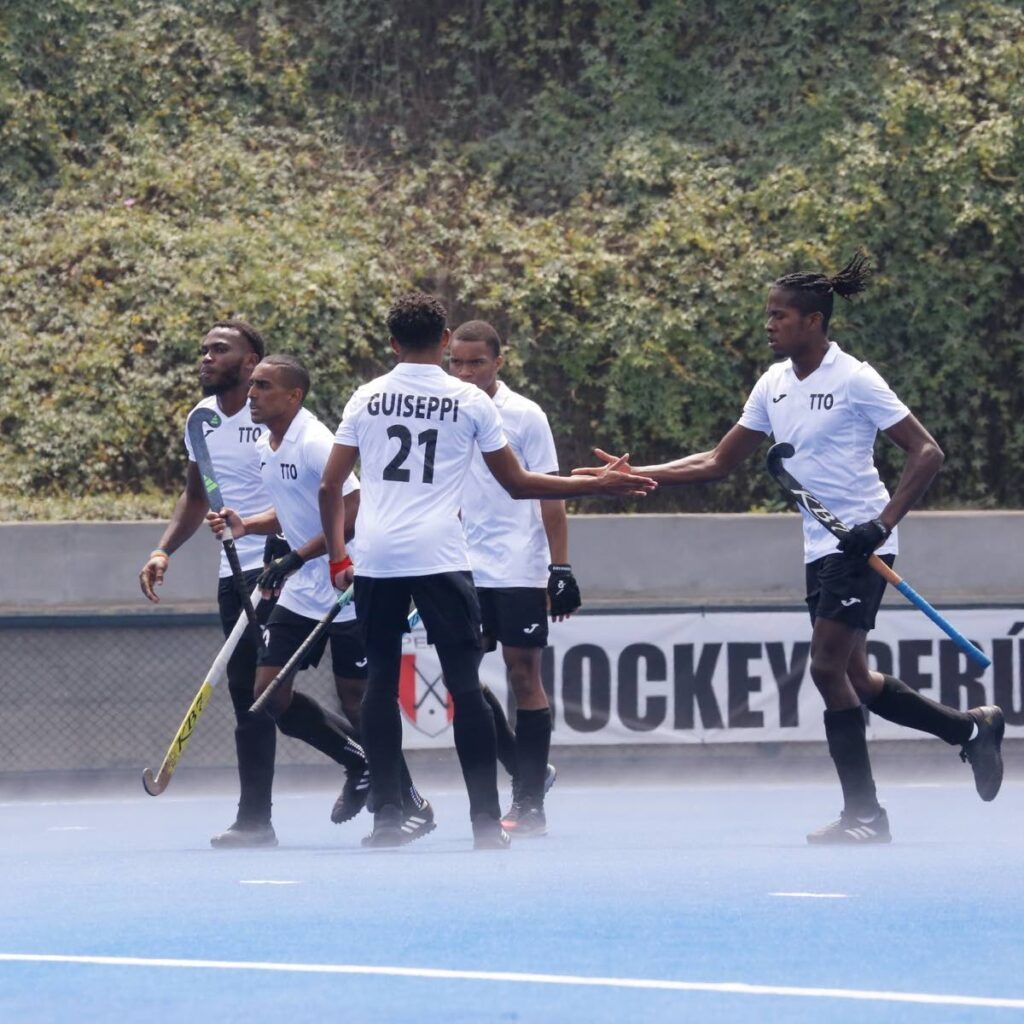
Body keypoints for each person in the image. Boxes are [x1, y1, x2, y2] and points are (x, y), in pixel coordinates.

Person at [575, 253, 1004, 844]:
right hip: (818, 547)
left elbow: (926, 451)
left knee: (826, 668)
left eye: (779, 315)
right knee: (855, 675)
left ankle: (865, 816)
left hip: (860, 542)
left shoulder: (855, 377)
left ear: (813, 321)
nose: (768, 324)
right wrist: (636, 474)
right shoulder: (772, 385)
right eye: (768, 315)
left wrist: (879, 525)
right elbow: (717, 461)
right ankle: (970, 731)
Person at [319, 292, 655, 850]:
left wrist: (338, 556)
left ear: (392, 343)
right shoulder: (469, 403)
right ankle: (484, 825)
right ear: (445, 340)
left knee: (379, 684)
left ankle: (387, 818)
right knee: (463, 688)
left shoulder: (367, 397)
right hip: (444, 558)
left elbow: (330, 486)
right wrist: (595, 483)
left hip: (379, 556)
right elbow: (520, 483)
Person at [207, 355, 434, 843]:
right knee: (267, 694)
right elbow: (297, 509)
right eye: (251, 387)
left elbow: (352, 509)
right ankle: (359, 762)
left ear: (294, 396)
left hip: (347, 585)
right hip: (303, 591)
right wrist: (250, 523)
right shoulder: (270, 445)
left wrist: (299, 557)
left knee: (359, 700)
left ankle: (408, 802)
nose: (252, 395)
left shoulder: (314, 442)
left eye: (264, 387)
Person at [138, 320, 280, 848]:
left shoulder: (277, 413)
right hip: (234, 573)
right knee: (252, 696)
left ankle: (377, 780)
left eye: (219, 350)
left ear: (250, 363)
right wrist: (162, 549)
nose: (205, 358)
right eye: (203, 350)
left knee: (308, 693)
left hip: (284, 568)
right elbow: (197, 497)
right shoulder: (200, 418)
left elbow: (310, 486)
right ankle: (255, 820)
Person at [449, 320, 580, 837]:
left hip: (520, 568)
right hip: (457, 566)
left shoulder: (525, 415)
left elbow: (551, 493)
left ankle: (529, 804)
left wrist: (561, 567)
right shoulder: (446, 412)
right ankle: (530, 772)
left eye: (475, 362)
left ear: (498, 362)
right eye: (456, 362)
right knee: (463, 680)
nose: (464, 371)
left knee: (524, 677)